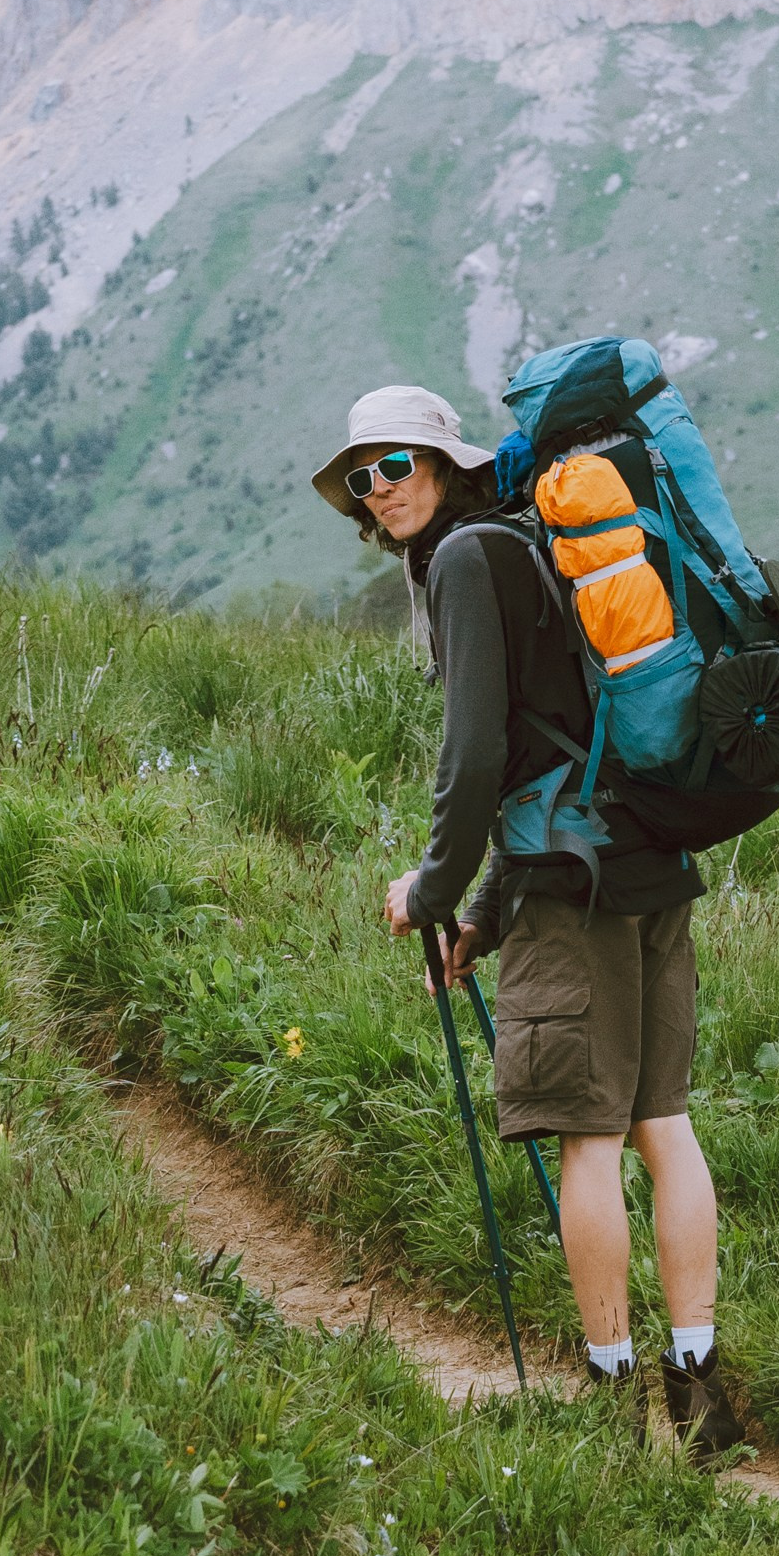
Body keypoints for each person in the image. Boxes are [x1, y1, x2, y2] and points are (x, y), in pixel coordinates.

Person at [311, 380, 751, 1451]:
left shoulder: (467, 560)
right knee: (663, 1125)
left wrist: (431, 889)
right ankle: (700, 1391)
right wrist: (484, 917)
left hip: (573, 887)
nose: (380, 490)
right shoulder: (534, 539)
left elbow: (475, 759)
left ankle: (611, 1397)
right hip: (647, 854)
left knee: (587, 1142)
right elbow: (556, 742)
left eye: (397, 465)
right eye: (363, 478)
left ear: (445, 465)